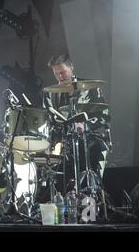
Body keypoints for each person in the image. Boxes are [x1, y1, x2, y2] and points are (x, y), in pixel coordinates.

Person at [43, 54, 110, 192]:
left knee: (90, 183)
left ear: (71, 67)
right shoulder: (50, 93)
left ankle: (92, 203)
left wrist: (86, 126)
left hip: (89, 140)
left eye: (63, 72)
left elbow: (104, 115)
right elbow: (48, 119)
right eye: (56, 74)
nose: (60, 76)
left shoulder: (90, 88)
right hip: (63, 144)